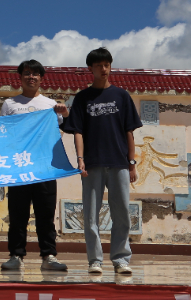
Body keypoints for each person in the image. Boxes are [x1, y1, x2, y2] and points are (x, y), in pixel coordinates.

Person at [66, 47, 142, 275]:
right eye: (99, 65)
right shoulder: (82, 98)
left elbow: (129, 131)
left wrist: (132, 163)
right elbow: (77, 131)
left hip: (119, 163)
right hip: (92, 164)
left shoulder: (122, 96)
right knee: (91, 215)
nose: (103, 69)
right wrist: (80, 159)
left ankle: (121, 259)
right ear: (90, 68)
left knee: (122, 214)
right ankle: (95, 261)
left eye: (106, 65)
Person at [0, 59, 70, 272]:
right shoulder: (10, 105)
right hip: (18, 168)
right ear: (20, 78)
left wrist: (65, 115)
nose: (31, 77)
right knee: (17, 215)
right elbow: (2, 134)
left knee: (45, 215)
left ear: (41, 78)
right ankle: (16, 256)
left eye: (35, 74)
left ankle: (49, 256)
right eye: (27, 73)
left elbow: (67, 128)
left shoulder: (50, 105)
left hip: (44, 168)